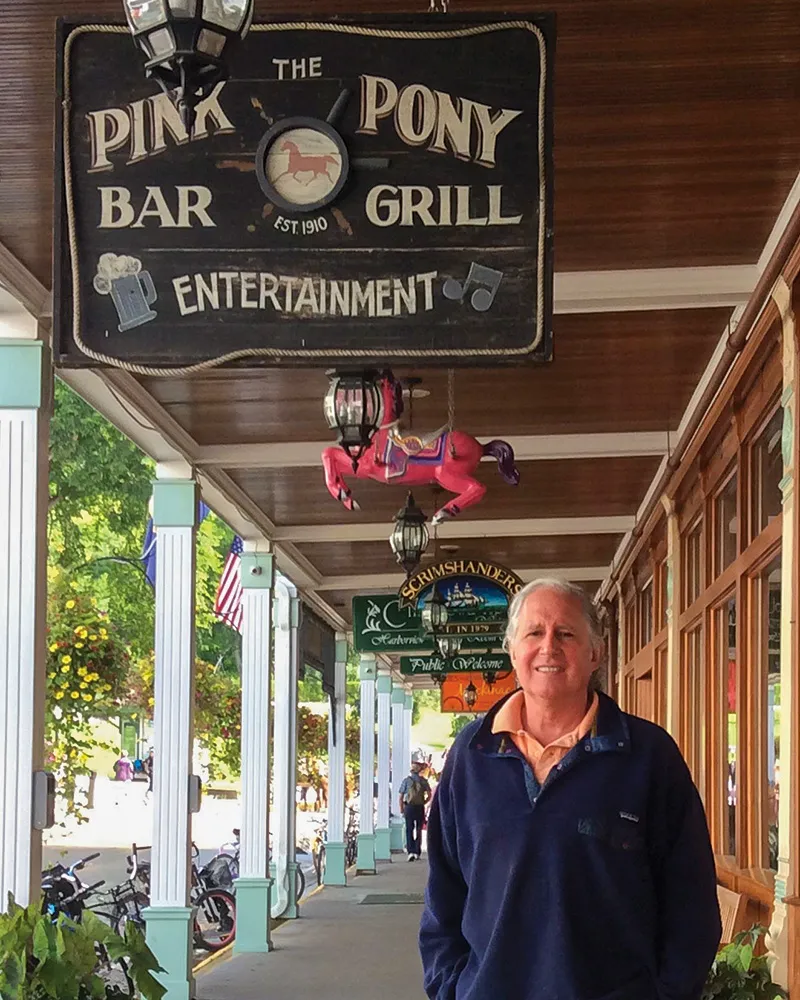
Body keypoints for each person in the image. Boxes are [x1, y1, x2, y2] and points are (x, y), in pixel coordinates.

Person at [420, 578, 721, 1000]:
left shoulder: (649, 757)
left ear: (595, 652)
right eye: (534, 633)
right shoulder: (472, 755)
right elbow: (443, 894)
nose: (549, 647)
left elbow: (692, 903)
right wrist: (450, 988)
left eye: (566, 633)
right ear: (512, 649)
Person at [399, 757, 431, 861]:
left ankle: (410, 851)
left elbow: (400, 796)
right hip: (419, 807)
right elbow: (429, 795)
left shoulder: (406, 781)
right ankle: (417, 851)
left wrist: (402, 808)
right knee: (418, 829)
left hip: (409, 807)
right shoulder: (423, 781)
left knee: (409, 829)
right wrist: (424, 802)